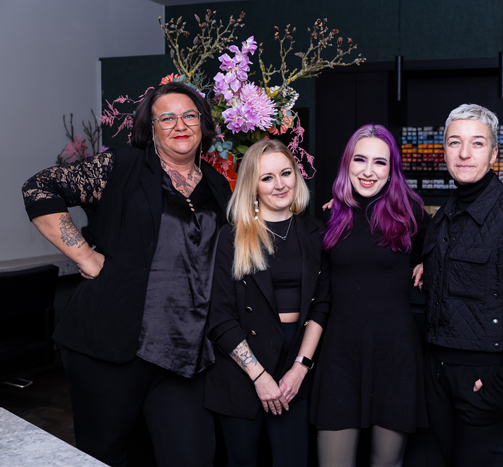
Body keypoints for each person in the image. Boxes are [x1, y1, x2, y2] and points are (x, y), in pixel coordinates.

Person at [21, 82, 231, 466]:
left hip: (184, 351)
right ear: (151, 128)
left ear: (202, 123)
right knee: (108, 455)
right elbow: (39, 188)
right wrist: (85, 255)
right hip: (111, 344)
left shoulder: (217, 185)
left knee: (193, 456)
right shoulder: (122, 166)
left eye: (189, 115)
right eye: (166, 118)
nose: (180, 125)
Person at [413, 104, 503, 467]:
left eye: (476, 143)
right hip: (437, 376)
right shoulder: (443, 216)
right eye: (454, 142)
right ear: (444, 151)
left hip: (485, 381)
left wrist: (501, 388)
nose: (464, 153)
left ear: (493, 153)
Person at [309, 124, 429, 467]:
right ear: (347, 162)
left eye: (380, 162)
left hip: (395, 355)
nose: (368, 170)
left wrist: (428, 263)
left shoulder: (411, 215)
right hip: (340, 356)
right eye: (360, 159)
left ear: (392, 170)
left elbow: (444, 251)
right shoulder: (331, 215)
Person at [205, 139, 330, 467]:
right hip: (242, 363)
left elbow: (321, 305)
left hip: (295, 360)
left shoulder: (316, 232)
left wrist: (300, 368)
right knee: (242, 460)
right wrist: (259, 376)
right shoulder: (232, 236)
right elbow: (220, 317)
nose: (280, 185)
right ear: (253, 185)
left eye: (286, 173)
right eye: (267, 178)